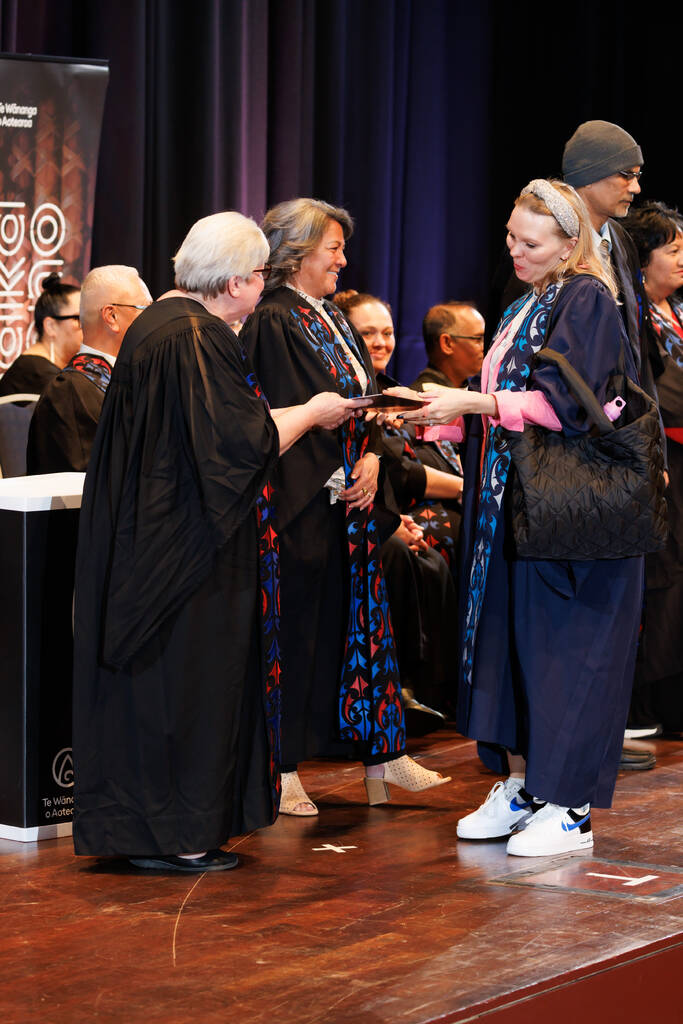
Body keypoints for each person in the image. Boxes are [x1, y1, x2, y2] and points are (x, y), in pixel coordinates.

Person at [72, 211, 362, 873]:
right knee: (190, 686)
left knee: (158, 692)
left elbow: (224, 429)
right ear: (235, 282)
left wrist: (294, 414)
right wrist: (313, 412)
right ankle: (181, 836)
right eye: (259, 275)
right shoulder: (197, 338)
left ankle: (154, 832)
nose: (263, 289)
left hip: (151, 542)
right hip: (188, 555)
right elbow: (241, 446)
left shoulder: (159, 324)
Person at [393, 179, 646, 857]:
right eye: (510, 237)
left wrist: (469, 405)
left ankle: (570, 807)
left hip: (564, 519)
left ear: (568, 243)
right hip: (512, 510)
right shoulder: (524, 303)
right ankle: (528, 787)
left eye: (530, 242)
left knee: (561, 652)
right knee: (513, 648)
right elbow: (506, 404)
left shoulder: (586, 298)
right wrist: (436, 420)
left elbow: (565, 407)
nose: (515, 251)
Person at [241, 198, 450, 816]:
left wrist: (375, 459)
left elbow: (364, 402)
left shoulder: (330, 315)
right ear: (298, 252)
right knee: (298, 634)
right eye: (333, 248)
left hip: (352, 500)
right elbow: (281, 413)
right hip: (305, 506)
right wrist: (339, 471)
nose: (343, 260)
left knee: (361, 627)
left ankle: (382, 755)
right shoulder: (272, 320)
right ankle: (282, 769)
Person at [336, 290, 460, 724]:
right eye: (367, 333)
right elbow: (401, 473)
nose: (380, 342)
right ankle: (398, 689)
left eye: (387, 333)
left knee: (433, 556)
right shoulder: (346, 395)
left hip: (388, 507)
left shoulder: (391, 391)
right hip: (347, 509)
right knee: (406, 552)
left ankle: (439, 691)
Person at [622, 201, 683, 734]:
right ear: (643, 257)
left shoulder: (676, 310)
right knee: (664, 574)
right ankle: (652, 698)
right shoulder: (632, 311)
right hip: (662, 458)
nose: (682, 260)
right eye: (673, 249)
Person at [27, 266, 151, 473]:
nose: (153, 322)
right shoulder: (70, 393)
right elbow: (90, 482)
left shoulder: (131, 377)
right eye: (145, 310)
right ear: (111, 316)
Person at [0, 272, 81, 396]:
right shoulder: (41, 376)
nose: (88, 326)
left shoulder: (39, 369)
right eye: (78, 318)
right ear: (51, 326)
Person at [412, 303, 485, 392]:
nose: (484, 348)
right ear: (447, 344)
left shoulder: (474, 392)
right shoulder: (419, 398)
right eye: (478, 339)